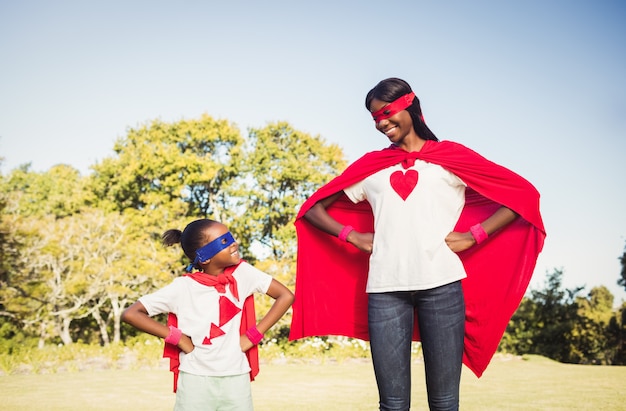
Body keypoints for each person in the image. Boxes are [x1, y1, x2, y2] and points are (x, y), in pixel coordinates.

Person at [289, 78, 546, 411]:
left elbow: (523, 196)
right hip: (384, 291)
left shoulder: (450, 157)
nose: (382, 123)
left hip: (442, 287)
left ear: (410, 105)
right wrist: (351, 235)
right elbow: (312, 210)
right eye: (374, 118)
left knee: (444, 403)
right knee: (393, 405)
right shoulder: (372, 167)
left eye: (386, 112)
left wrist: (474, 235)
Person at [122, 218, 294, 411]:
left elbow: (285, 296)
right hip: (195, 380)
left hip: (236, 378)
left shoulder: (243, 274)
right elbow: (132, 314)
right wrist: (177, 338)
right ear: (204, 257)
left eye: (230, 237)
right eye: (224, 241)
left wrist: (254, 335)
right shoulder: (182, 287)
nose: (234, 243)